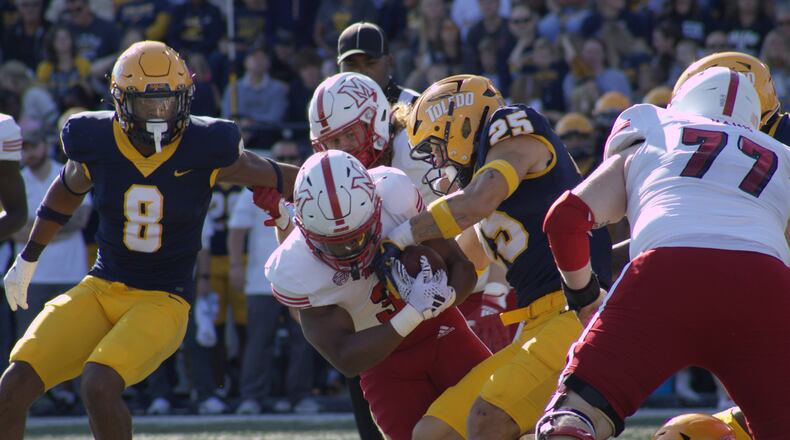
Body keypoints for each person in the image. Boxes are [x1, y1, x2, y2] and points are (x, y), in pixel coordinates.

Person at [0, 41, 298, 440]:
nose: (159, 114)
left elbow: (284, 176)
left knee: (98, 383)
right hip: (100, 286)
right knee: (12, 387)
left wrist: (343, 183)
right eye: (147, 104)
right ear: (121, 102)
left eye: (168, 102)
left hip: (163, 299)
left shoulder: (206, 145)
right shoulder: (97, 139)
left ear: (185, 99)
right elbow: (66, 190)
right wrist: (29, 257)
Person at [535, 67, 790, 439]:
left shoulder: (655, 127)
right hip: (766, 284)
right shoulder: (782, 154)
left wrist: (585, 297)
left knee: (573, 419)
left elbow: (565, 219)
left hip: (666, 273)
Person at [382, 74, 612, 439]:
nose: (438, 160)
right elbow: (462, 262)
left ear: (460, 122)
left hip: (577, 312)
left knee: (487, 420)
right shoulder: (490, 196)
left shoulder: (511, 126)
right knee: (433, 432)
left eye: (436, 146)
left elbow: (477, 201)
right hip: (534, 325)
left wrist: (400, 236)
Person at [264, 150, 490, 440]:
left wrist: (446, 296)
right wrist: (413, 313)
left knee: (500, 421)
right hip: (384, 365)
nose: (352, 250)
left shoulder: (394, 196)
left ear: (375, 207)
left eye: (358, 235)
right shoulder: (296, 267)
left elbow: (462, 267)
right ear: (307, 233)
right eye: (337, 244)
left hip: (444, 332)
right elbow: (345, 358)